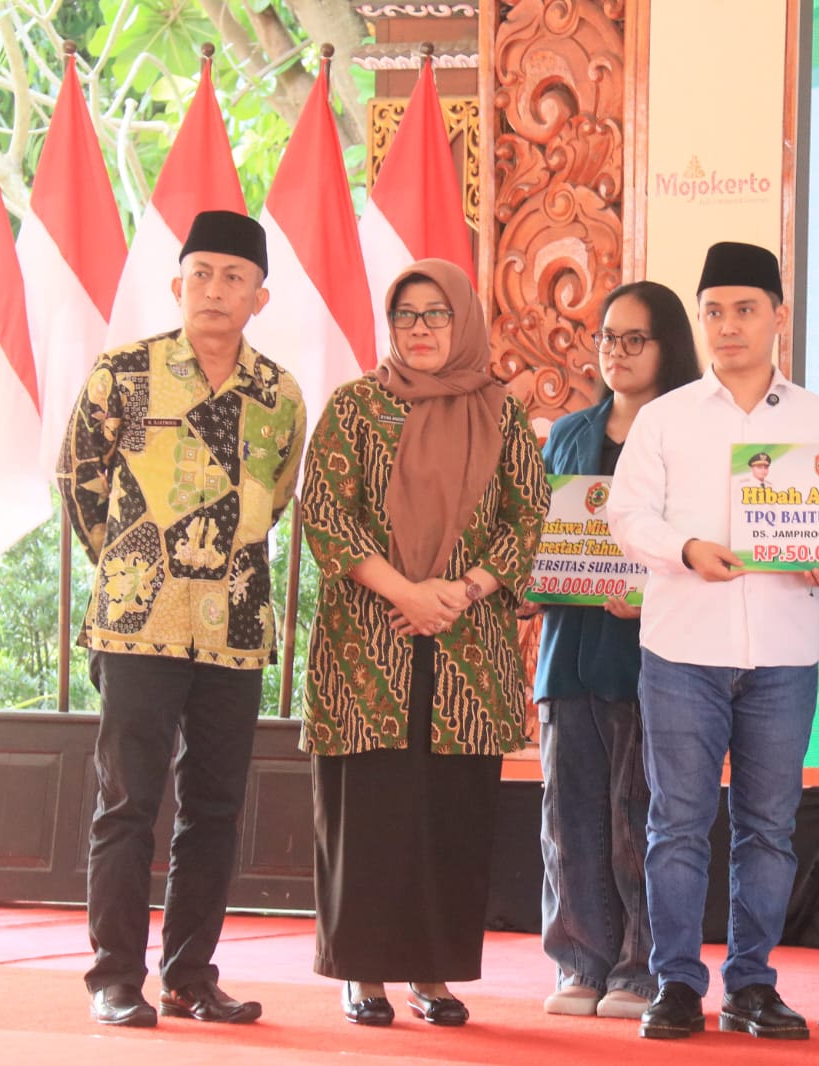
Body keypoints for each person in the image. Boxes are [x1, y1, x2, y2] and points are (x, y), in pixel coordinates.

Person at [59, 210, 305, 1028]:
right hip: (138, 620)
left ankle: (190, 976)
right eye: (201, 273)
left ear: (260, 297)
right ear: (176, 284)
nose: (214, 289)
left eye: (234, 277)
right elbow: (80, 480)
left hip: (234, 627)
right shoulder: (123, 374)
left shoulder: (279, 395)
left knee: (215, 808)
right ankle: (114, 979)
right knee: (128, 803)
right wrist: (133, 561)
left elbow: (275, 496)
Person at [298, 258, 549, 1029]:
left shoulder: (500, 413)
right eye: (406, 314)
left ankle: (432, 972)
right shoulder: (355, 407)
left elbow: (528, 515)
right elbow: (324, 515)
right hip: (367, 644)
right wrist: (406, 593)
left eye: (437, 313)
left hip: (468, 647)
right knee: (368, 813)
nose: (420, 328)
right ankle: (363, 972)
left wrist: (463, 590)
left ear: (462, 320)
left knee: (451, 815)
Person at [609, 242, 819, 1041]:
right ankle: (676, 983)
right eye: (713, 311)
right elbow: (626, 517)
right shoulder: (666, 416)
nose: (728, 325)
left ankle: (751, 985)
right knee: (677, 824)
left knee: (768, 829)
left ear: (779, 315)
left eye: (745, 309)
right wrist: (684, 549)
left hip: (784, 652)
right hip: (682, 650)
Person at [535, 281, 702, 1021]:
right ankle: (580, 961)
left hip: (649, 657)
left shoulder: (687, 436)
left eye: (635, 339)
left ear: (668, 347)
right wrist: (532, 576)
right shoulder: (569, 433)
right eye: (607, 336)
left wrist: (651, 589)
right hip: (567, 650)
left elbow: (701, 543)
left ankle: (639, 970)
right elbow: (538, 533)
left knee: (639, 819)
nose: (617, 352)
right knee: (568, 818)